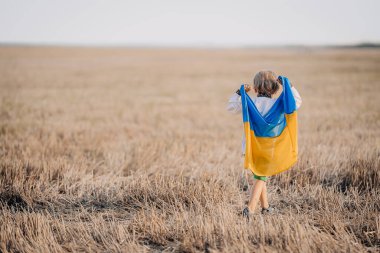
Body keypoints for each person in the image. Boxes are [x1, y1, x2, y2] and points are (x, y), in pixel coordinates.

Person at [226, 70, 302, 218]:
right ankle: (251, 208)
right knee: (261, 177)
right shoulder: (280, 103)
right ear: (275, 88)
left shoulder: (250, 103)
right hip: (270, 149)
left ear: (254, 89)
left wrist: (239, 93)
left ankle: (265, 207)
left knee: (260, 176)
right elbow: (296, 102)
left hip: (252, 147)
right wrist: (289, 86)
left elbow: (230, 108)